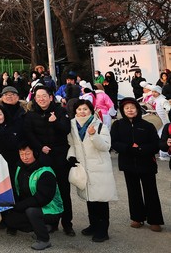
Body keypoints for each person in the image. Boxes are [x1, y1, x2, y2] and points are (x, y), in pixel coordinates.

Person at [23, 86, 74, 236]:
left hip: (60, 156)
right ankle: (51, 222)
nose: (41, 99)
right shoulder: (31, 115)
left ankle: (67, 223)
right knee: (46, 191)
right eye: (38, 96)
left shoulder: (60, 111)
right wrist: (40, 147)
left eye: (44, 96)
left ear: (51, 97)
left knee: (64, 191)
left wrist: (55, 121)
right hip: (43, 157)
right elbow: (29, 133)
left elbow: (66, 130)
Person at [65, 99, 117, 242]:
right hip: (83, 167)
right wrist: (71, 156)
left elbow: (106, 147)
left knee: (101, 199)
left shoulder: (100, 126)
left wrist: (94, 135)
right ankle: (93, 225)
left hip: (99, 167)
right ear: (75, 111)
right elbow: (72, 144)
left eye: (85, 109)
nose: (82, 112)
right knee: (90, 198)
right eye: (79, 109)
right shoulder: (72, 125)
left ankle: (103, 230)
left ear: (91, 110)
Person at [110, 97, 164, 232]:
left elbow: (155, 144)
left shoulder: (147, 126)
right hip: (128, 163)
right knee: (133, 191)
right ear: (122, 110)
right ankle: (137, 217)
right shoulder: (117, 125)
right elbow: (114, 142)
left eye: (132, 107)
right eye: (126, 108)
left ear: (137, 109)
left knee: (151, 191)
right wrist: (128, 148)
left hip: (146, 163)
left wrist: (140, 149)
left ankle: (155, 220)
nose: (130, 110)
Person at [2, 144, 63, 251]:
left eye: (27, 154)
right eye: (21, 154)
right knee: (10, 219)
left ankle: (44, 239)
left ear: (35, 153)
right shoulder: (20, 168)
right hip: (31, 204)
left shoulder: (45, 172)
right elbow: (17, 190)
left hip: (50, 208)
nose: (24, 157)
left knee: (32, 211)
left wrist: (20, 206)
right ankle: (43, 227)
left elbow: (42, 198)